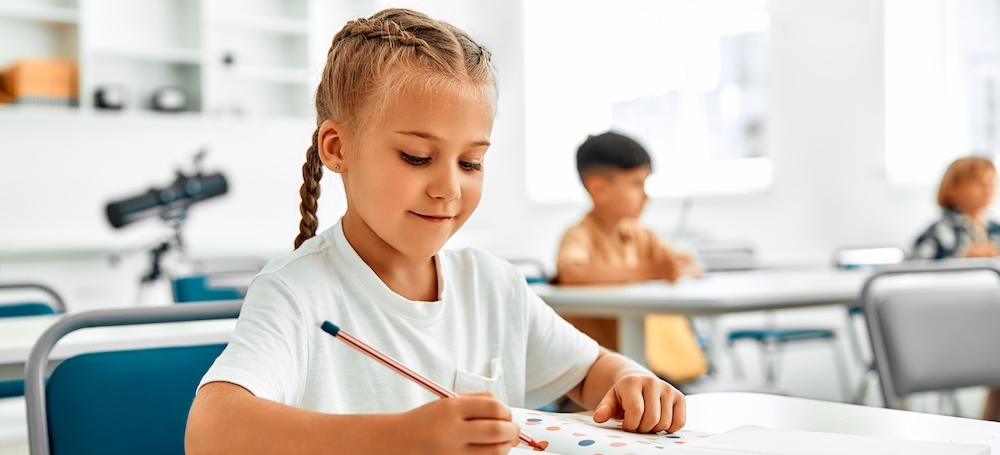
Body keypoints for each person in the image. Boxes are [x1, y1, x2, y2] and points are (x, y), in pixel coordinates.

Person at [185, 9, 685, 455]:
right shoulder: (296, 292)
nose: (449, 188)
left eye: (471, 162)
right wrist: (400, 440)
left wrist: (633, 381)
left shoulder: (493, 286)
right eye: (417, 158)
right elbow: (209, 432)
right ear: (337, 148)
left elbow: (590, 369)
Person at [554, 131, 705, 385]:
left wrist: (673, 267)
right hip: (593, 381)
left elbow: (686, 264)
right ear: (598, 188)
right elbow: (571, 273)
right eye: (637, 183)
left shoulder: (640, 234)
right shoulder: (579, 235)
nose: (646, 195)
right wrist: (652, 271)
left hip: (646, 369)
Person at [911, 155, 1000, 422]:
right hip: (950, 328)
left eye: (991, 182)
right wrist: (960, 264)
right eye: (978, 183)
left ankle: (990, 425)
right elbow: (912, 276)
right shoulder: (939, 233)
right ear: (951, 188)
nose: (988, 188)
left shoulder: (995, 230)